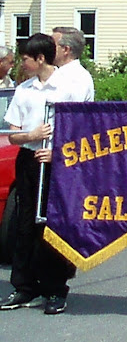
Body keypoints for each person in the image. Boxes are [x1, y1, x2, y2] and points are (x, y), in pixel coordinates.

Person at [1, 34, 77, 315]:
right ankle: (24, 287)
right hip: (29, 159)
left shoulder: (68, 88)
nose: (21, 64)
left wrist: (58, 152)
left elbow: (81, 131)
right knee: (24, 224)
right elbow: (13, 134)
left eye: (25, 59)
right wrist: (31, 136)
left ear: (40, 59)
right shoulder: (24, 90)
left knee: (52, 226)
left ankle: (55, 289)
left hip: (58, 162)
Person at [51, 27, 95, 101]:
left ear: (65, 50)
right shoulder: (59, 73)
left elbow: (70, 109)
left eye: (51, 46)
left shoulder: (77, 78)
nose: (47, 49)